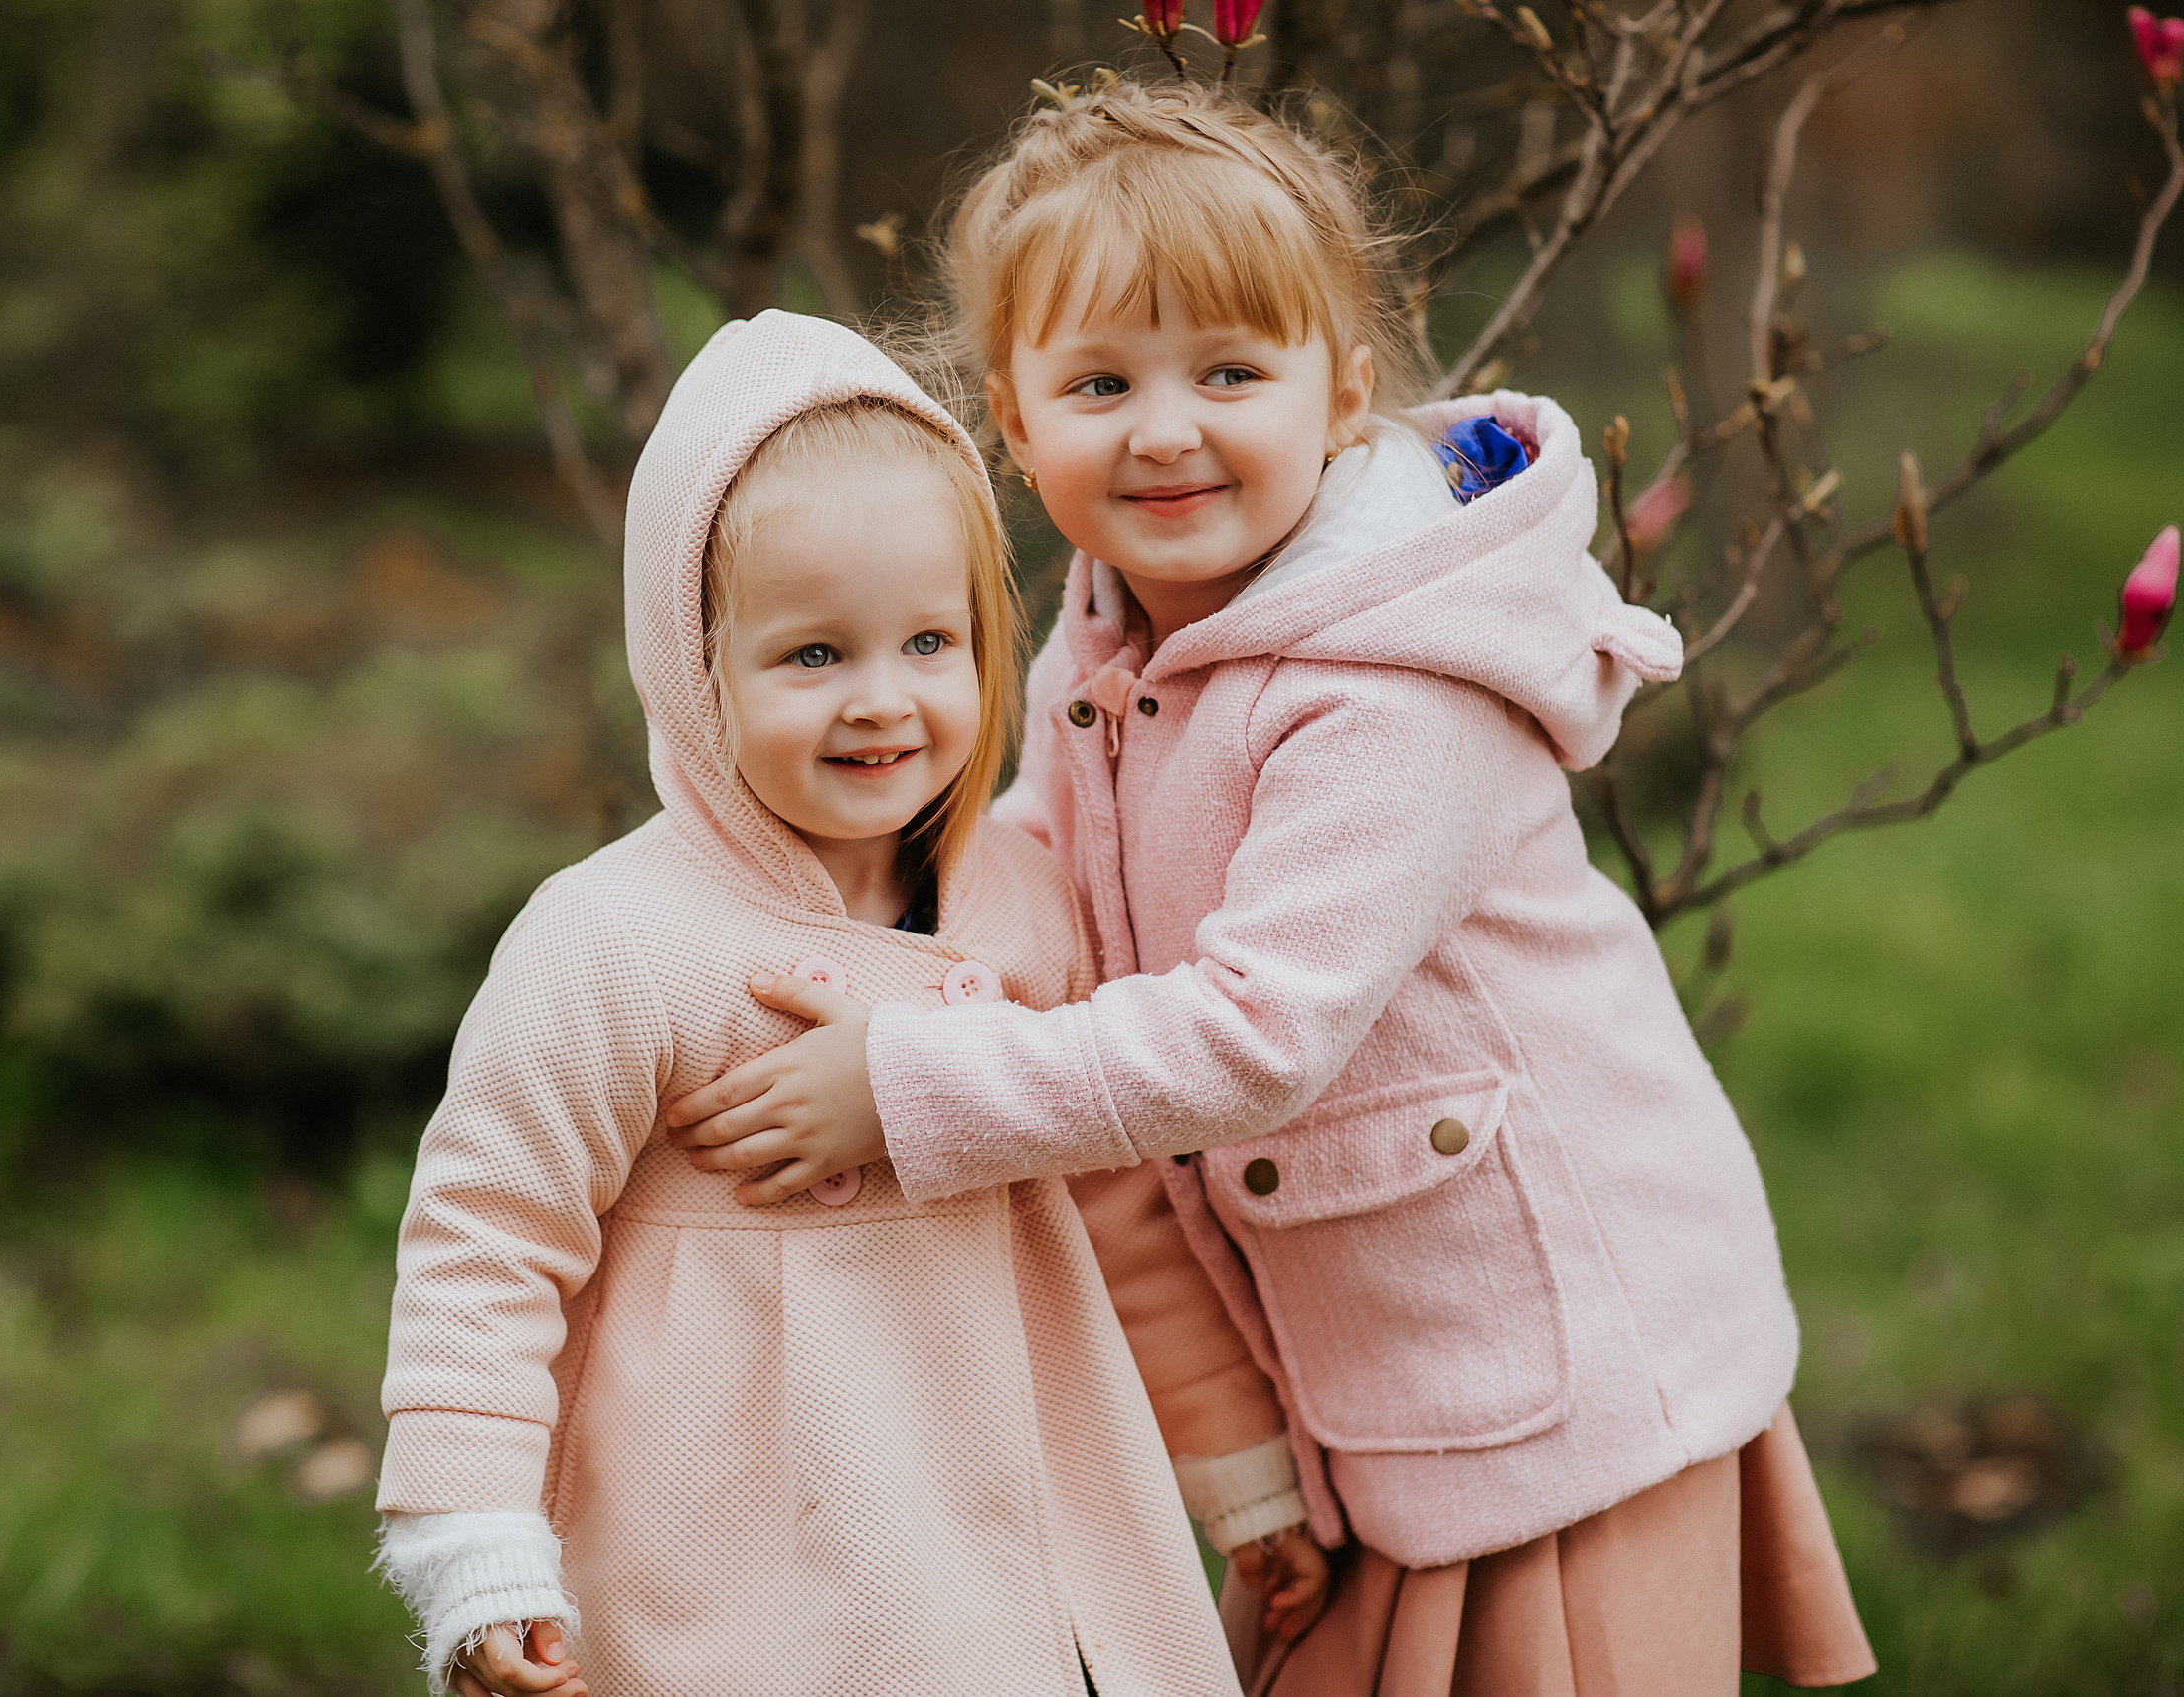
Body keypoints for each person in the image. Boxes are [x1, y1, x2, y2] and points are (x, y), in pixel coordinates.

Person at [664, 81, 1879, 1693]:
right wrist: (854, 908)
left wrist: (904, 1082)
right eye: (1100, 381)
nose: (1165, 428)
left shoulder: (1393, 694)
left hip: (1550, 1363)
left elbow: (1253, 1037)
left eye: (1229, 371)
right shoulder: (1113, 630)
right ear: (1017, 433)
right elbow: (1036, 867)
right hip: (1370, 1352)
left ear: (1346, 394)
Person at [370, 308, 1258, 1697]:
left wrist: (1235, 1464)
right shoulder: (616, 940)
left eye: (927, 644)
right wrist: (474, 1541)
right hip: (730, 1535)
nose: (881, 703)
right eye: (812, 657)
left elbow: (1116, 1200)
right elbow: (488, 1238)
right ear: (694, 665)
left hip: (1000, 1517)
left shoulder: (1016, 902)